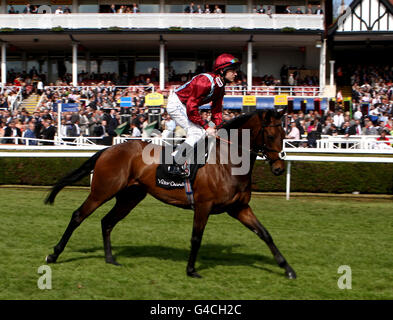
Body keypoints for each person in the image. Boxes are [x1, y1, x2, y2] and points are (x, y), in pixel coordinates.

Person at [166, 53, 241, 177]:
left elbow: (216, 110)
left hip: (185, 106)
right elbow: (191, 107)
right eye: (233, 70)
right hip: (177, 103)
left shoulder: (220, 87)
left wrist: (218, 128)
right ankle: (174, 162)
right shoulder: (205, 81)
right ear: (222, 70)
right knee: (198, 132)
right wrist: (206, 127)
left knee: (203, 133)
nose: (236, 74)